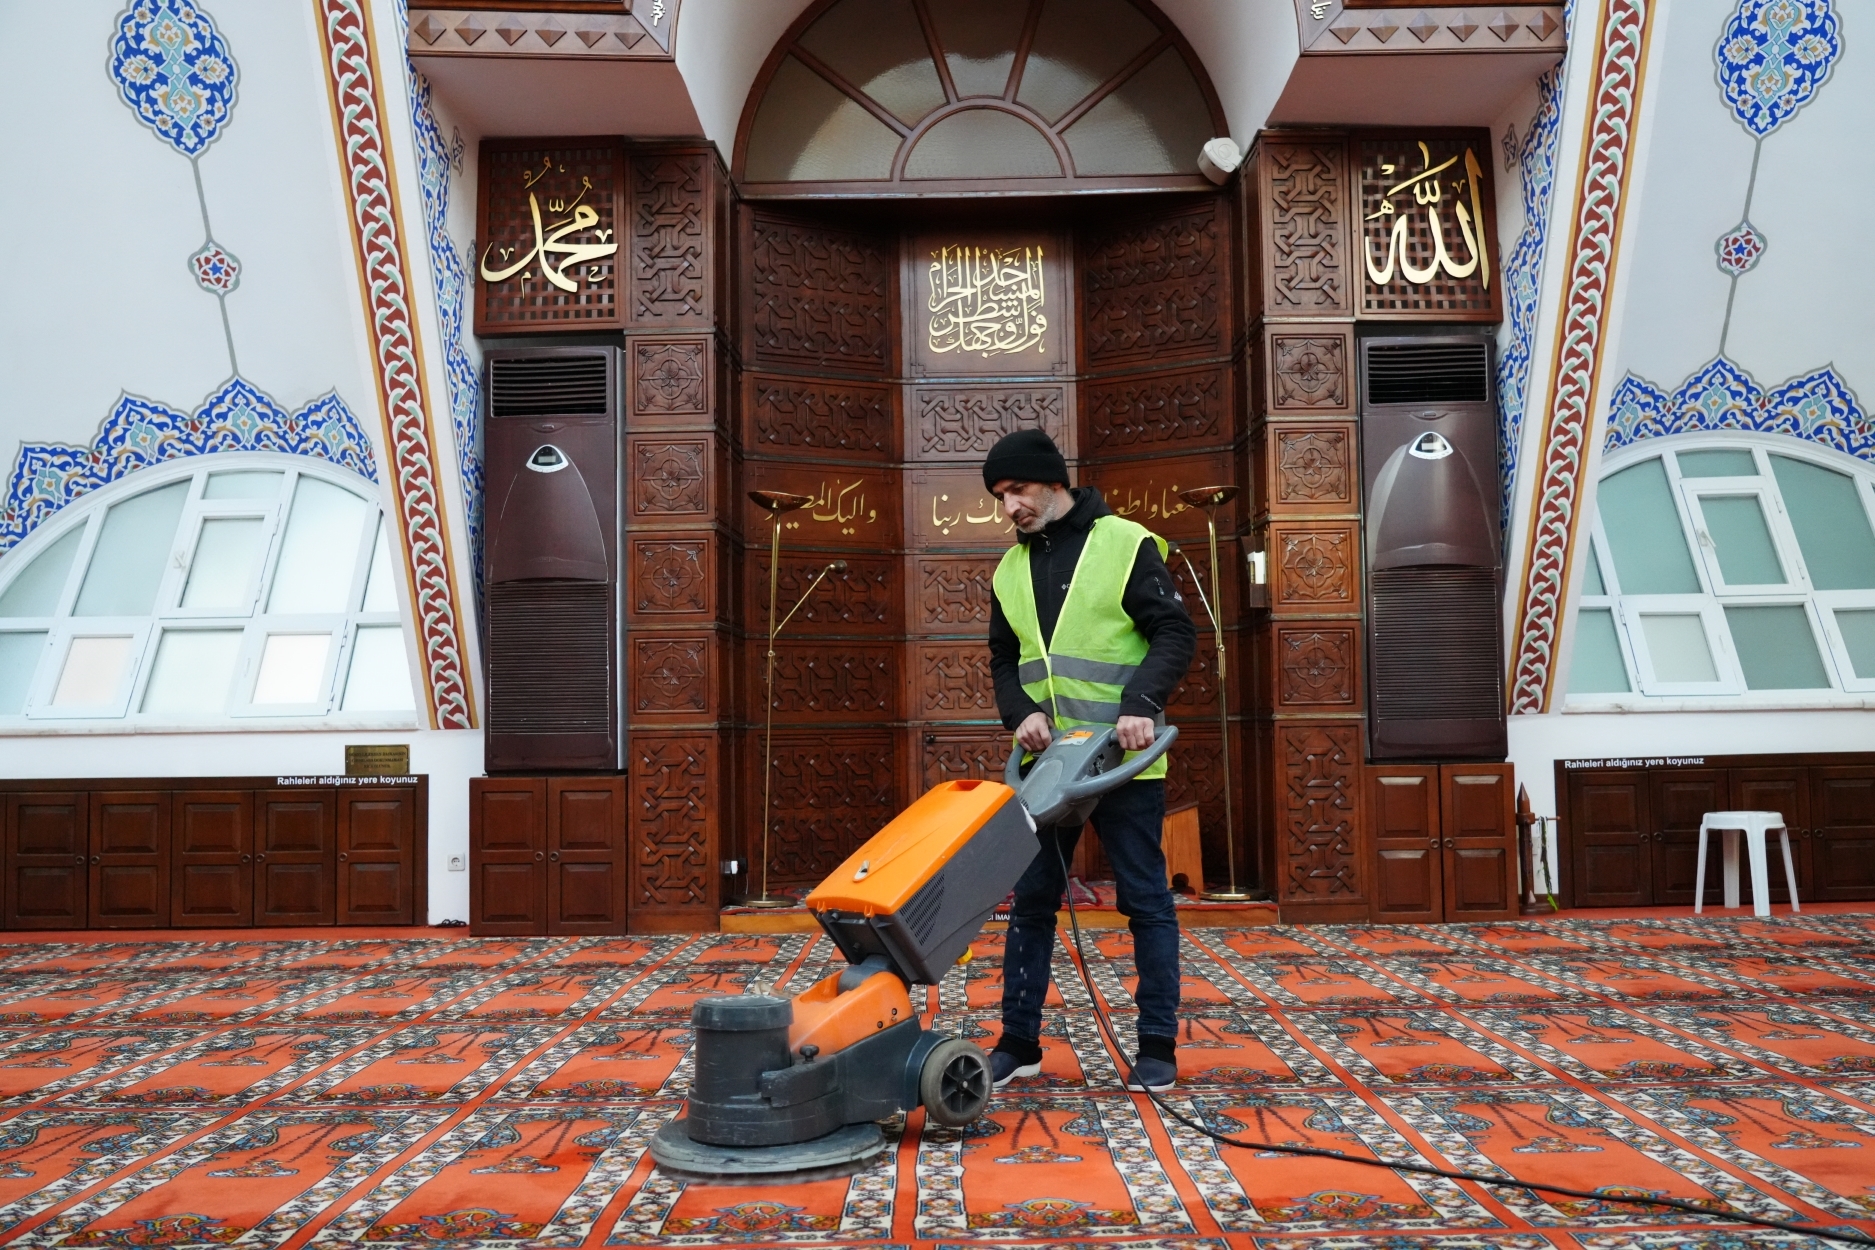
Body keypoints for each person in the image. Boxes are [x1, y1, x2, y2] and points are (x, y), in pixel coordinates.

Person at [982, 428, 1197, 1093]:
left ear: (1051, 481)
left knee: (1145, 901)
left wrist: (1141, 700)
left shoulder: (1124, 543)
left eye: (1016, 489)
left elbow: (1173, 630)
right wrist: (1021, 715)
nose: (1008, 506)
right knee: (1033, 904)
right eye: (999, 496)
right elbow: (1001, 661)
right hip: (1049, 768)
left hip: (1122, 759)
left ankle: (1156, 1047)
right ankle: (1019, 1042)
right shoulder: (1008, 569)